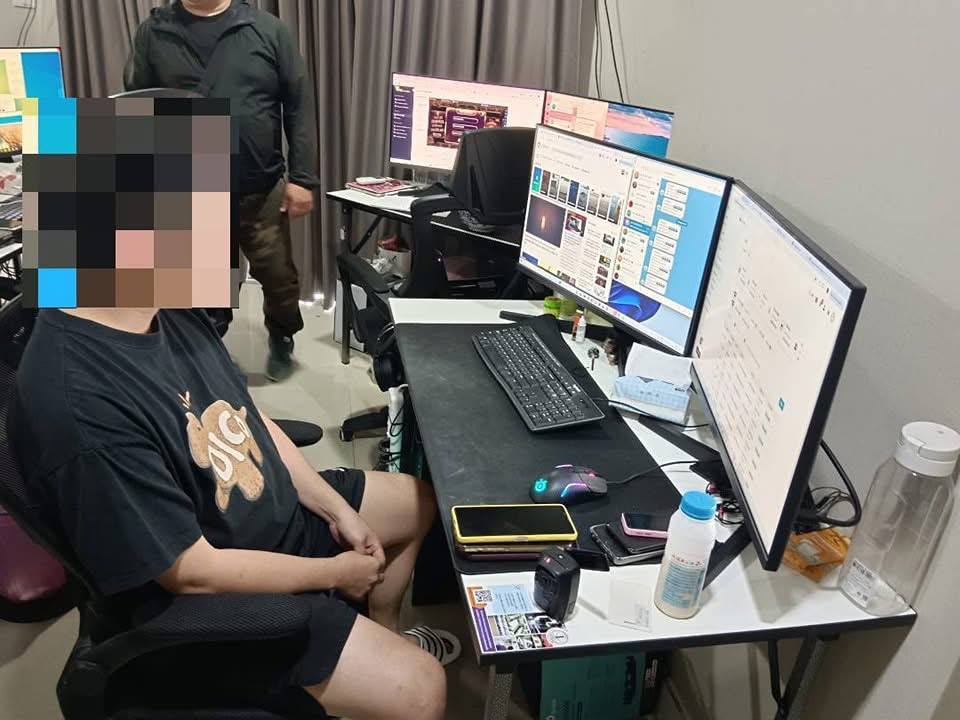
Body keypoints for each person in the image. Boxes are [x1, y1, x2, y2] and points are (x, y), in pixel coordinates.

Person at [10, 306, 454, 719]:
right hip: (215, 590)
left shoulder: (167, 308)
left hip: (265, 518)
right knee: (422, 690)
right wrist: (336, 574)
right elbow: (191, 572)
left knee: (414, 502)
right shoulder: (78, 401)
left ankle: (385, 632)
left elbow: (250, 419)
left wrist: (336, 510)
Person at [125, 0, 317, 381]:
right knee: (206, 286)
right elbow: (136, 107)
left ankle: (282, 333)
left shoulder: (268, 30)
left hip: (260, 187)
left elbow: (299, 106)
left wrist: (303, 178)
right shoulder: (155, 32)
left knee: (279, 278)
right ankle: (211, 352)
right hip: (192, 189)